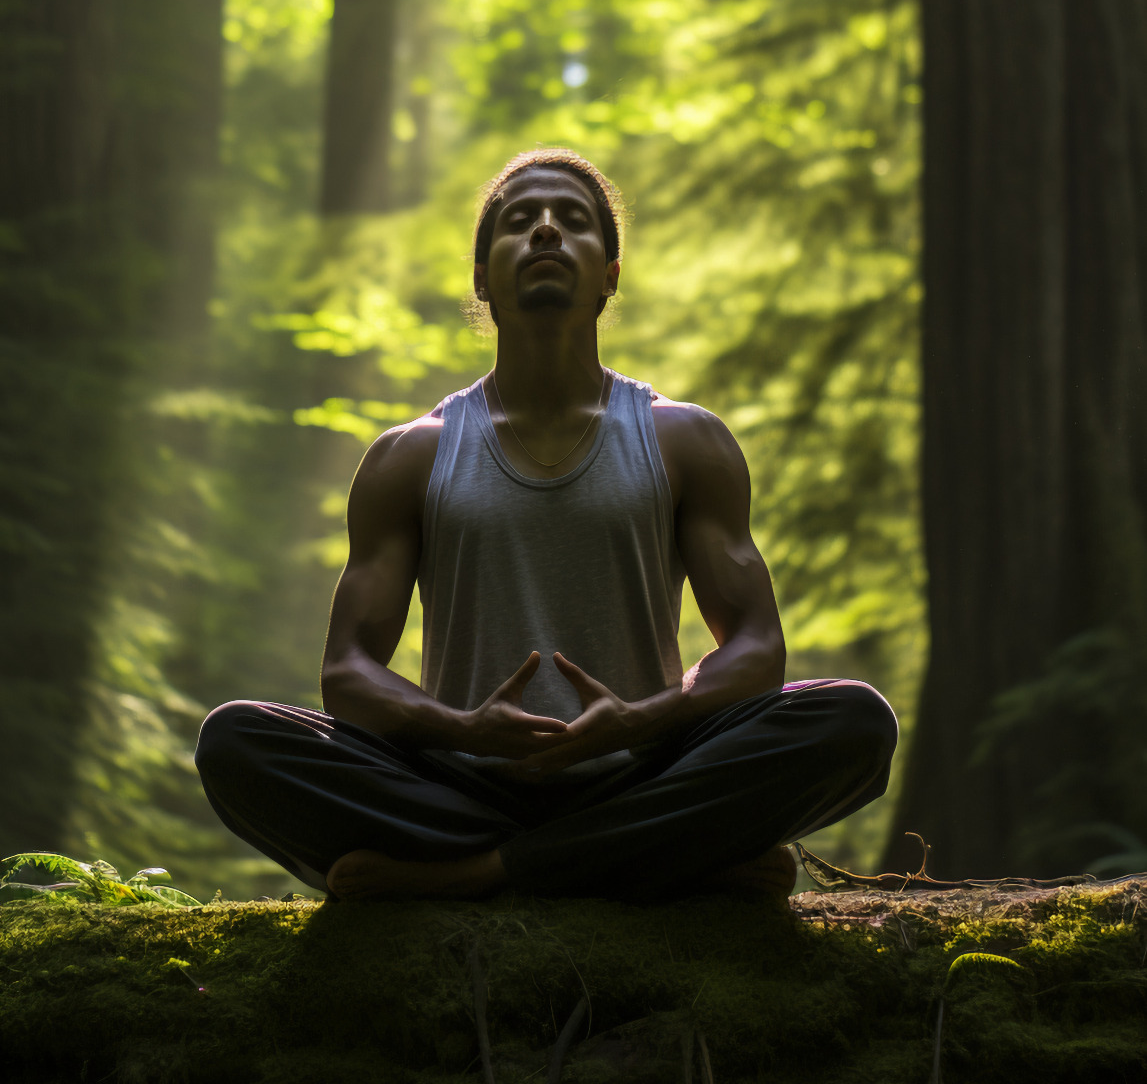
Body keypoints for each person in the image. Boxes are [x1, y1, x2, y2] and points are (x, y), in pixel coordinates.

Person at [196, 148, 897, 902]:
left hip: (640, 769)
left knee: (852, 722)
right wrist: (461, 729)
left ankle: (478, 876)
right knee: (238, 742)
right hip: (462, 783)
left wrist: (639, 720)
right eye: (518, 220)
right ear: (481, 279)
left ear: (609, 275)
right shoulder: (409, 457)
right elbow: (347, 674)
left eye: (572, 220)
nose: (545, 232)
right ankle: (670, 864)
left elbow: (757, 648)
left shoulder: (685, 441)